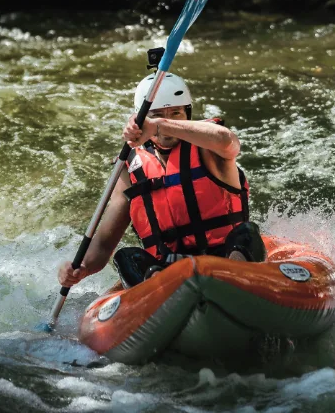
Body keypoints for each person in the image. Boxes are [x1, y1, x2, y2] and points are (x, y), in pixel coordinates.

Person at [58, 73, 265, 290]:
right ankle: (159, 293)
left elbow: (227, 141)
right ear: (141, 120)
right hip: (167, 270)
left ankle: (235, 289)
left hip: (226, 259)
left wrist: (158, 125)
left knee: (246, 234)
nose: (168, 120)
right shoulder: (130, 169)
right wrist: (80, 268)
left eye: (176, 113)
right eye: (157, 115)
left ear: (188, 114)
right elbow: (103, 244)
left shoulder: (211, 146)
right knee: (126, 257)